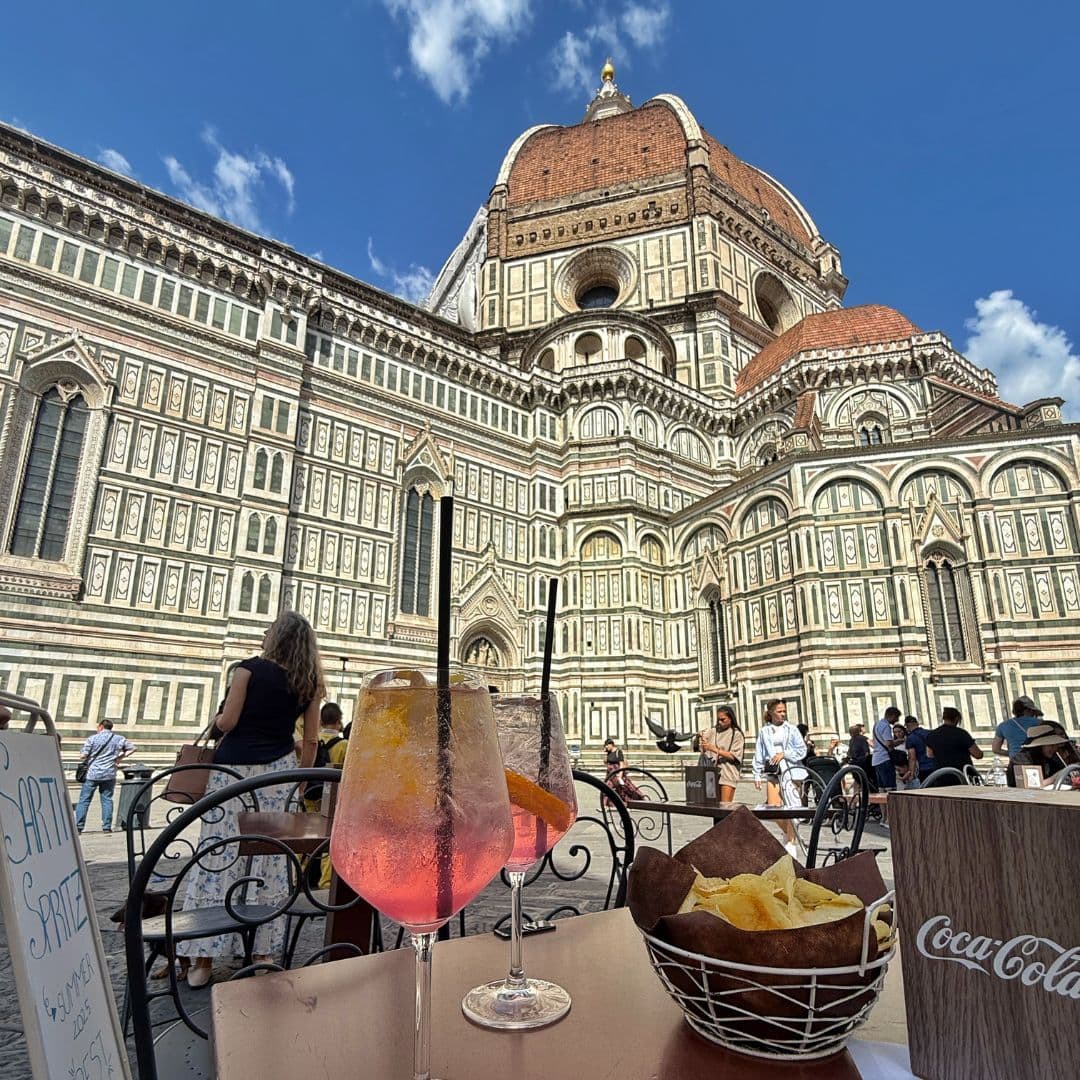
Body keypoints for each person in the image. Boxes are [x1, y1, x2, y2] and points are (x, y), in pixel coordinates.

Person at [179, 610, 324, 989]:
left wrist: (218, 719)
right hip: (278, 774)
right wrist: (300, 780)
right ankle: (263, 955)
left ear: (275, 637)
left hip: (232, 775)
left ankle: (203, 958)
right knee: (270, 859)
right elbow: (311, 740)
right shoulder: (310, 682)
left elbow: (227, 723)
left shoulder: (247, 670)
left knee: (218, 855)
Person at [751, 700, 806, 857]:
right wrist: (756, 773)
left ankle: (791, 843)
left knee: (792, 808)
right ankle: (790, 832)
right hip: (774, 772)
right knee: (773, 808)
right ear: (771, 713)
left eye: (784, 711)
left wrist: (784, 754)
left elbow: (802, 750)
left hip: (791, 771)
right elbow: (759, 753)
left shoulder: (792, 729)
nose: (783, 714)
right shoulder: (764, 731)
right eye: (779, 711)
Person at [74, 719, 135, 834]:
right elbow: (133, 748)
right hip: (109, 774)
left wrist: (83, 753)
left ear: (101, 727)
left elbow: (83, 756)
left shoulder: (92, 739)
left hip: (92, 774)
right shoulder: (119, 738)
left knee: (84, 800)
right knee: (107, 800)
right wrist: (119, 758)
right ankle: (106, 827)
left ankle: (78, 826)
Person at [993, 696, 1043, 787]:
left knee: (1015, 791)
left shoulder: (1003, 725)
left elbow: (995, 749)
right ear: (1028, 710)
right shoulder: (1040, 723)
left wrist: (1012, 753)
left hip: (1014, 764)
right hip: (1035, 762)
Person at [698, 706, 745, 802]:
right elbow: (702, 746)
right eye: (718, 719)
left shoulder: (736, 734)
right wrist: (700, 738)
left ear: (730, 718)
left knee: (725, 806)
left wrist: (714, 749)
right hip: (712, 774)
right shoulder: (713, 731)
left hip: (728, 773)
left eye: (723, 719)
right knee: (713, 806)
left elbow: (733, 756)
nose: (719, 722)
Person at [925, 706, 983, 782]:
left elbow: (930, 755)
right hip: (963, 775)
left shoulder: (932, 735)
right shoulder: (962, 734)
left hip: (942, 776)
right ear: (957, 718)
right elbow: (978, 755)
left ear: (944, 718)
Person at [871, 706, 902, 791]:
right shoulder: (886, 726)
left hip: (876, 759)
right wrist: (899, 741)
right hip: (884, 758)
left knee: (881, 787)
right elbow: (889, 744)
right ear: (892, 716)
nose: (897, 720)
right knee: (890, 787)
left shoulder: (877, 724)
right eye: (896, 717)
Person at [903, 715, 933, 783]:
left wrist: (911, 774)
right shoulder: (930, 733)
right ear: (917, 723)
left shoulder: (910, 738)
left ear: (907, 725)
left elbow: (912, 758)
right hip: (936, 766)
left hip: (924, 768)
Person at [844, 723, 874, 788]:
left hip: (861, 762)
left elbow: (866, 751)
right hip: (859, 762)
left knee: (862, 778)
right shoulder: (853, 740)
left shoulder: (861, 739)